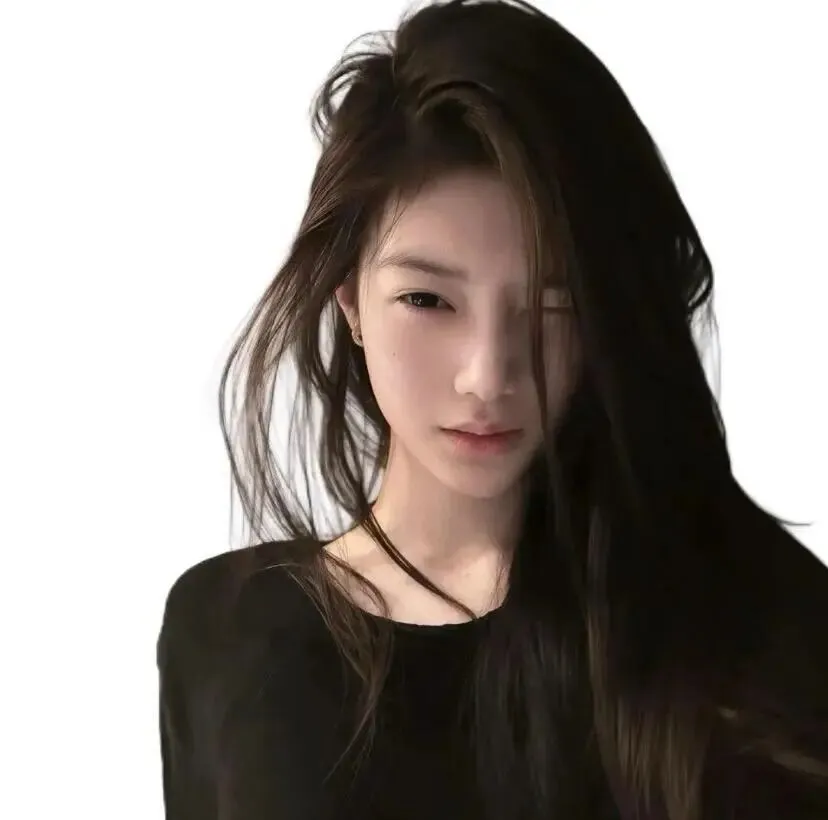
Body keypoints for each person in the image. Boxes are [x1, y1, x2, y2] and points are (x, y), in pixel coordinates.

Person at [156, 1, 828, 818]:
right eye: (427, 299)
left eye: (552, 306)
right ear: (349, 298)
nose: (487, 374)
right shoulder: (225, 634)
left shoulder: (747, 632)